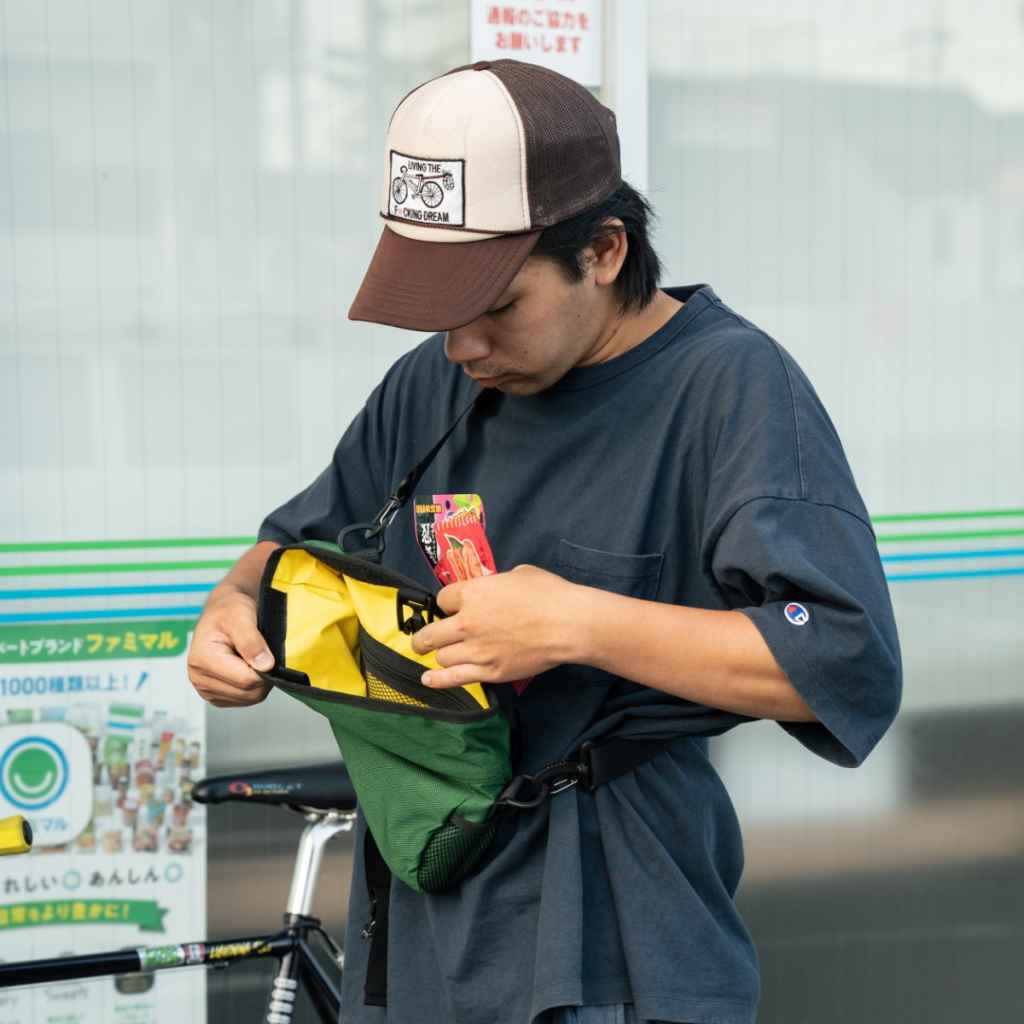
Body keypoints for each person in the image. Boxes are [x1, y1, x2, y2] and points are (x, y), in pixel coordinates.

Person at [187, 59, 902, 1024]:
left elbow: (844, 660)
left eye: (495, 306)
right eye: (439, 312)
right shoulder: (431, 387)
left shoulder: (730, 389)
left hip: (617, 919)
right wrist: (232, 609)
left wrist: (578, 623)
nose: (462, 347)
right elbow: (288, 549)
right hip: (428, 899)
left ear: (602, 251)